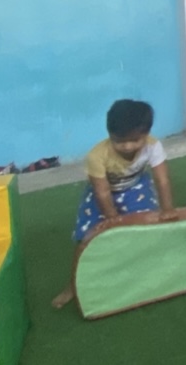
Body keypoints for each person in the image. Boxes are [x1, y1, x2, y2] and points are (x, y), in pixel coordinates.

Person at [52, 100, 177, 308]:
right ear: (109, 134)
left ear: (146, 134)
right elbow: (102, 192)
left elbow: (162, 180)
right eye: (119, 141)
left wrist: (168, 209)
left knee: (148, 225)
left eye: (135, 140)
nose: (127, 146)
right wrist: (113, 219)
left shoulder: (153, 146)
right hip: (103, 194)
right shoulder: (97, 155)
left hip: (135, 188)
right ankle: (72, 286)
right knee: (86, 237)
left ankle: (146, 269)